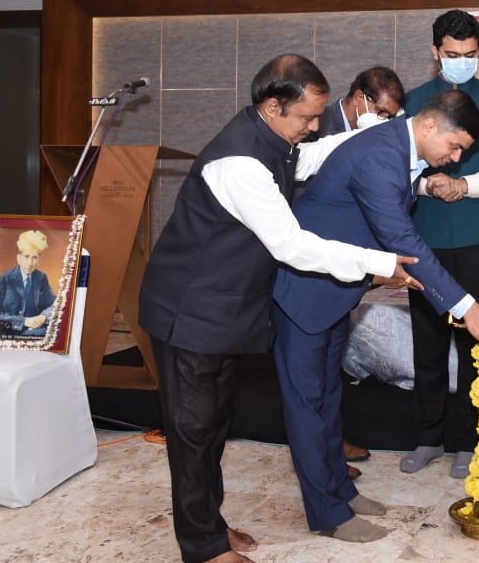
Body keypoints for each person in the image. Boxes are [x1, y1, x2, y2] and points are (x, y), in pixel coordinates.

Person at [138, 53, 420, 563]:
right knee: (194, 432)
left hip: (221, 313)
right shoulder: (239, 163)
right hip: (189, 312)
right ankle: (203, 547)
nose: (314, 127)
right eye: (307, 118)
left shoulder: (274, 142)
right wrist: (377, 263)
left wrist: (389, 135)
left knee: (212, 428)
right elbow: (291, 246)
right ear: (273, 106)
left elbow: (312, 158)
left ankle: (210, 527)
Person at [271, 89, 479, 544]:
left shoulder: (400, 152)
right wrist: (469, 308)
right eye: (454, 146)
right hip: (305, 292)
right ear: (429, 126)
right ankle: (328, 514)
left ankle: (340, 491)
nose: (456, 158)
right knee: (307, 407)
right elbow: (403, 238)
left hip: (335, 290)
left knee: (328, 398)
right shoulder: (381, 155)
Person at [400, 10, 479, 478]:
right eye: (453, 54)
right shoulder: (412, 102)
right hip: (424, 234)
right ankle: (428, 437)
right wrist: (427, 184)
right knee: (428, 342)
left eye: (471, 54)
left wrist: (465, 184)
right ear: (435, 52)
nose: (462, 61)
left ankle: (470, 441)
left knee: (476, 342)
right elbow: (394, 166)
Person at [293, 65, 406, 466]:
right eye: (384, 113)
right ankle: (319, 458)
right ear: (360, 99)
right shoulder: (312, 127)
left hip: (349, 263)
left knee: (332, 361)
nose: (388, 123)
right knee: (308, 370)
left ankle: (332, 443)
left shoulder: (374, 132)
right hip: (306, 262)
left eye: (394, 117)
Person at [0, 230, 57, 338]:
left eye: (34, 258)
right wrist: (24, 321)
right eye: (26, 256)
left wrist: (44, 316)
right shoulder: (4, 279)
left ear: (39, 260)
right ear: (19, 258)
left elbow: (55, 304)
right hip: (11, 332)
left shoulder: (41, 277)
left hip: (37, 330)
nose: (30, 263)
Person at [317, 66, 404, 136]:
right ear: (358, 97)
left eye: (390, 116)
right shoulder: (318, 128)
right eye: (381, 111)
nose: (384, 120)